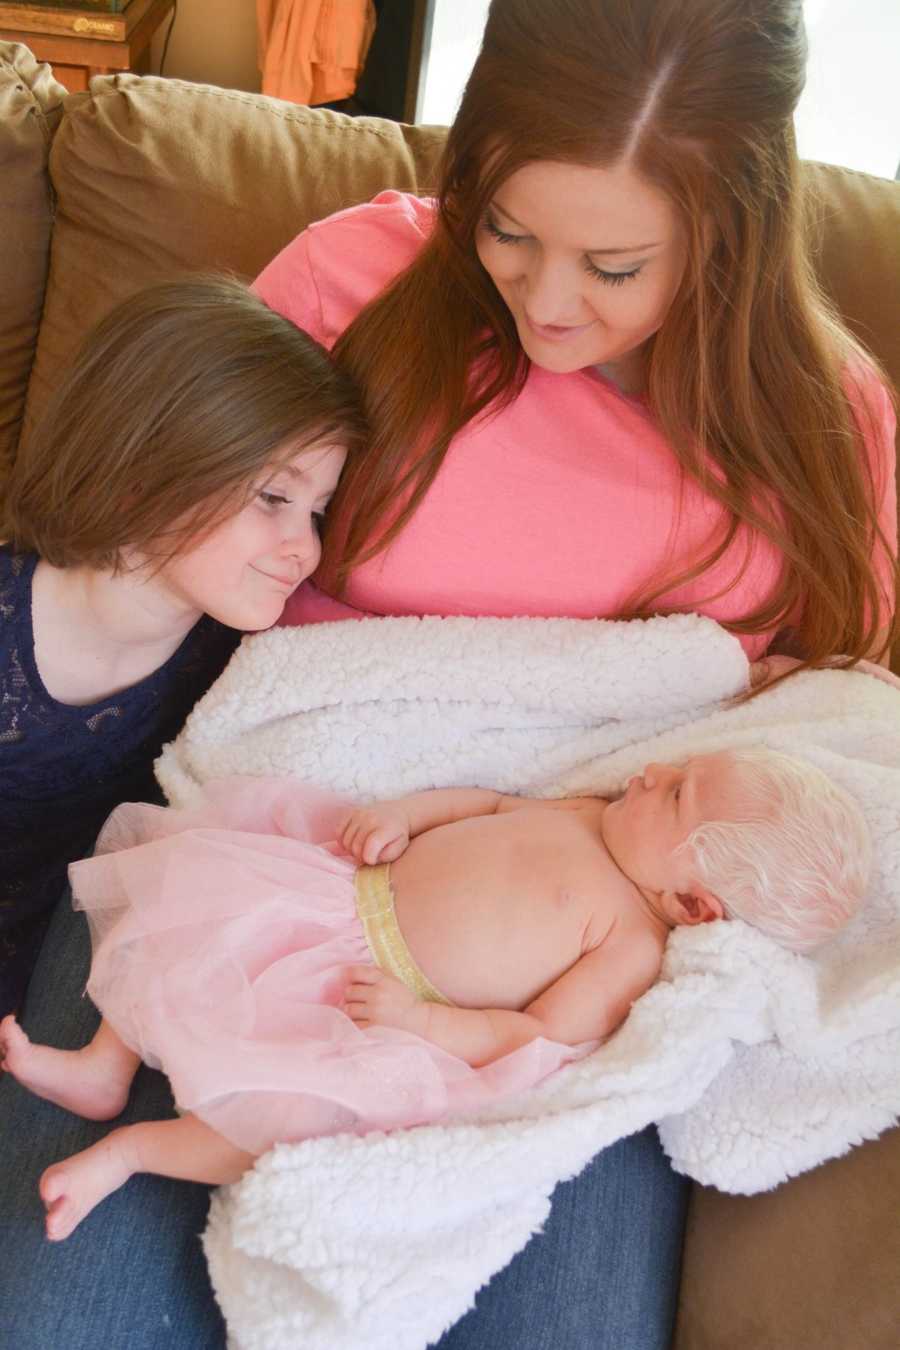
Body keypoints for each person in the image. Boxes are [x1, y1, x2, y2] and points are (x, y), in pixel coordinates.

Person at [1, 4, 896, 1349]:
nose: (544, 302)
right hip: (264, 848)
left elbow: (845, 720)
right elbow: (186, 509)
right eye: (508, 232)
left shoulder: (826, 428)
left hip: (561, 973)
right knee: (70, 1312)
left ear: (734, 235)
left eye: (614, 264)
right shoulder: (355, 282)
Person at [0, 746, 870, 1241]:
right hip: (336, 900)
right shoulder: (588, 814)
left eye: (674, 794)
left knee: (286, 1121)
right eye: (675, 769)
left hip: (386, 1007)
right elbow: (485, 802)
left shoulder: (632, 948)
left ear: (694, 904)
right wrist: (406, 816)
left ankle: (132, 1154)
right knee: (188, 910)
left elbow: (531, 1034)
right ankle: (102, 1061)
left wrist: (423, 1020)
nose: (649, 772)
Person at [0, 275, 364, 1018]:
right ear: (144, 474)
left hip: (77, 978)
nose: (305, 549)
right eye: (273, 499)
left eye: (318, 513)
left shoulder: (238, 666)